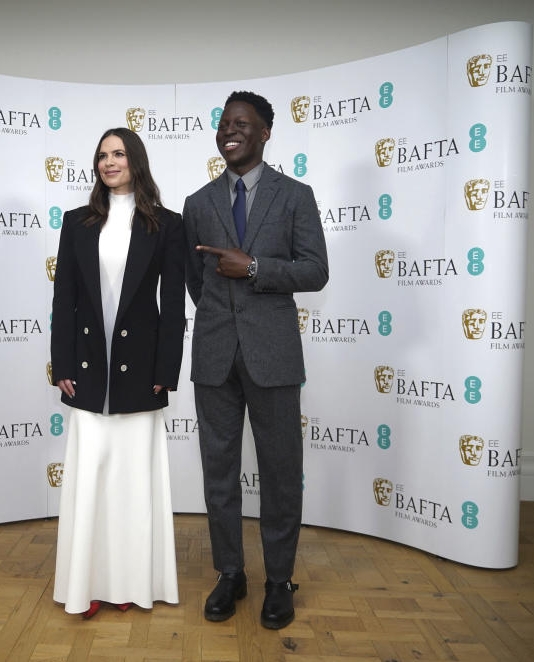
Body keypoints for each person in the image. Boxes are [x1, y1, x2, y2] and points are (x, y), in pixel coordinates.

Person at [182, 91, 329, 629]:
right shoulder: (197, 204)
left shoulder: (295, 196)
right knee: (218, 473)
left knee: (281, 472)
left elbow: (315, 271)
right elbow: (193, 281)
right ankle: (229, 574)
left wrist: (254, 269)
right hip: (214, 357)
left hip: (274, 356)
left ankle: (279, 581)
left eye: (242, 124)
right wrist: (225, 313)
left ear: (266, 132)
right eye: (223, 124)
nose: (230, 132)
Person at [51, 127, 186, 618]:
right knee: (90, 480)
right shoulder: (76, 222)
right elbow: (63, 299)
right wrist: (61, 364)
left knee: (131, 484)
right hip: (86, 371)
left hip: (140, 372)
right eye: (103, 155)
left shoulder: (166, 225)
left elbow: (172, 305)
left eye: (119, 154)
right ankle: (84, 586)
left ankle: (129, 582)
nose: (110, 162)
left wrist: (167, 369)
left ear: (137, 161)